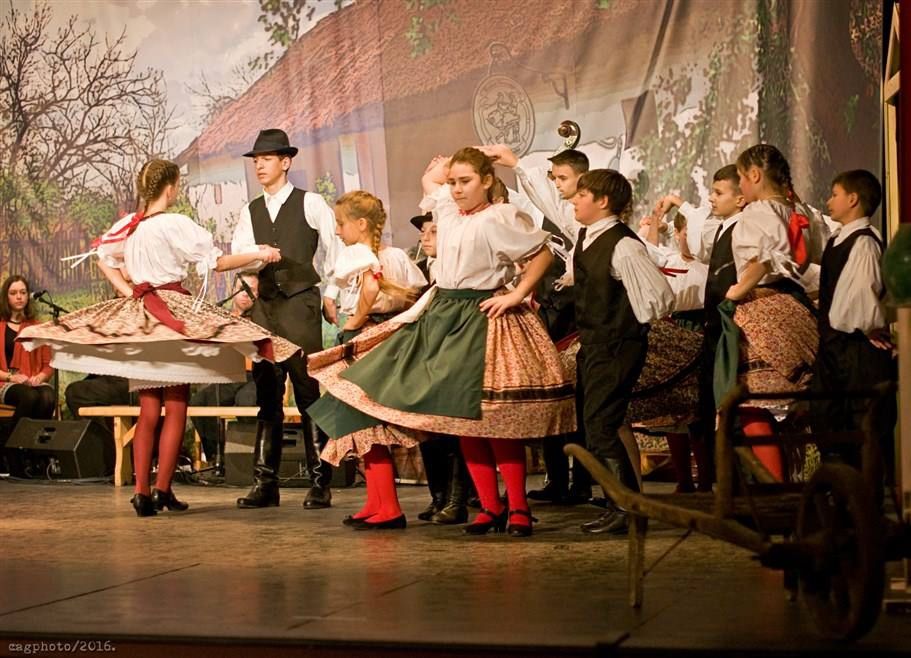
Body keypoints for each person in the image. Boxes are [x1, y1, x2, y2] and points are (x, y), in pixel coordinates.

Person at [307, 148, 575, 535]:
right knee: (460, 419)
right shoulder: (447, 210)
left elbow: (542, 254)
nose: (456, 189)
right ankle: (490, 506)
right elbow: (431, 182)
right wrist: (452, 168)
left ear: (486, 181)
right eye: (453, 182)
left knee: (493, 420)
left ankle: (517, 506)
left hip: (483, 315)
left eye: (466, 181)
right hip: (445, 315)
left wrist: (516, 294)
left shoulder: (498, 217)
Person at [19, 158, 298, 517]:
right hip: (167, 312)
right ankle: (162, 489)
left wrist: (129, 291)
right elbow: (216, 262)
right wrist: (260, 253)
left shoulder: (131, 227)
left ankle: (141, 492)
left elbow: (103, 257)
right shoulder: (172, 223)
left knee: (149, 407)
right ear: (170, 188)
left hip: (144, 315)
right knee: (176, 404)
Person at [230, 128, 343, 510]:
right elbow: (242, 255)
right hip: (265, 307)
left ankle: (320, 481)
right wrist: (247, 284)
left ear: (286, 162)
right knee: (267, 394)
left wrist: (332, 293)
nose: (259, 165)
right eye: (256, 160)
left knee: (307, 391)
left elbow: (334, 249)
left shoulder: (310, 202)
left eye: (267, 159)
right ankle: (265, 483)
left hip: (299, 304)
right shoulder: (251, 211)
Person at [561, 169, 675, 534]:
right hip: (595, 343)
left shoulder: (622, 244)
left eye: (582, 195)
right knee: (595, 426)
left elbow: (657, 296)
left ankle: (627, 509)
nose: (574, 200)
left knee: (602, 425)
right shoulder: (588, 236)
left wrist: (627, 323)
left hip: (616, 344)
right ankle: (619, 505)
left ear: (603, 201)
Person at [481, 143, 590, 505]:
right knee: (549, 399)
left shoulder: (576, 218)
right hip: (546, 314)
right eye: (553, 178)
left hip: (570, 317)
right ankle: (557, 478)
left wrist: (515, 163)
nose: (556, 185)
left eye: (562, 178)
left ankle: (582, 480)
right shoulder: (540, 216)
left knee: (575, 403)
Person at [717, 144, 828, 481]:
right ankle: (795, 484)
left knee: (755, 404)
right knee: (786, 408)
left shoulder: (758, 211)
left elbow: (763, 259)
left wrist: (737, 290)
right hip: (797, 309)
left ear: (754, 175)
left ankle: (775, 489)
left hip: (764, 311)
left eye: (741, 177)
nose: (741, 184)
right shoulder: (802, 212)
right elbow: (809, 259)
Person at [654, 165, 746, 492]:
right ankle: (696, 480)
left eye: (718, 193)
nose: (711, 198)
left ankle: (723, 480)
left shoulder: (737, 232)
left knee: (719, 407)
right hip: (703, 328)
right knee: (689, 410)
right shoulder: (718, 232)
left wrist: (680, 203)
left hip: (719, 326)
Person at [810, 170, 896, 482]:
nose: (829, 201)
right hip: (836, 350)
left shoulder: (864, 243)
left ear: (853, 199)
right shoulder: (838, 239)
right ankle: (842, 495)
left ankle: (865, 500)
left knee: (863, 427)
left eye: (835, 194)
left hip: (855, 351)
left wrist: (869, 325)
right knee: (832, 421)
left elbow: (860, 299)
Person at [408, 211, 474, 525]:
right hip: (427, 352)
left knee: (455, 428)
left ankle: (458, 499)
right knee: (429, 429)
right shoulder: (422, 270)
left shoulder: (462, 271)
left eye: (433, 231)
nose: (425, 237)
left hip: (454, 352)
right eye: (424, 232)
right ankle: (439, 497)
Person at [330, 191, 426, 344]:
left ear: (361, 224)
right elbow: (412, 297)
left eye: (341, 224)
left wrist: (355, 321)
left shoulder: (356, 254)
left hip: (365, 332)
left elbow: (371, 287)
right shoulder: (398, 255)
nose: (337, 231)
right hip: (396, 333)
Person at [189, 272, 260, 468]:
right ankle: (216, 459)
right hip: (229, 377)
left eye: (251, 290)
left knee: (246, 402)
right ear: (233, 291)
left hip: (254, 376)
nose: (245, 294)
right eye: (241, 289)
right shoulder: (222, 319)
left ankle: (248, 462)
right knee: (199, 403)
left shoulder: (262, 319)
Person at [0, 275, 56, 447]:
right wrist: (12, 377)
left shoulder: (37, 328)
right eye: (13, 293)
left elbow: (48, 364)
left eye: (23, 292)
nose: (19, 297)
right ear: (6, 297)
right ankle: (12, 448)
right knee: (29, 396)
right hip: (4, 382)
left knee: (47, 396)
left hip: (30, 381)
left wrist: (40, 377)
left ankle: (36, 449)